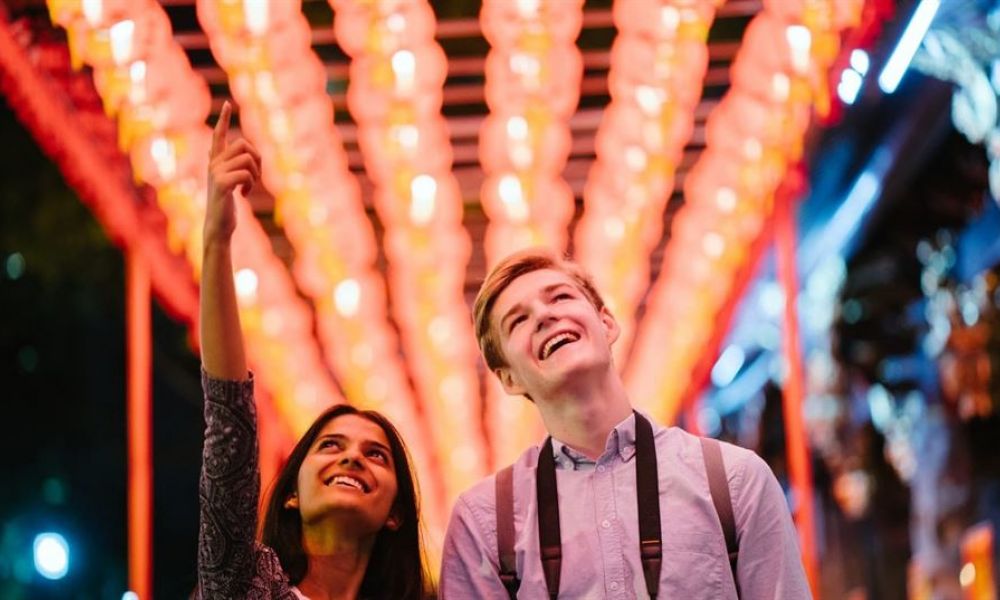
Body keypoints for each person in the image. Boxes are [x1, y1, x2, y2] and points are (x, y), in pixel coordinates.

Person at [439, 248, 812, 599]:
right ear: (508, 379)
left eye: (561, 297)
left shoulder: (734, 481)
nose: (544, 315)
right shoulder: (484, 521)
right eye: (518, 320)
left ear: (607, 324)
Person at [197, 101, 428, 599]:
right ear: (291, 497)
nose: (351, 459)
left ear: (396, 514)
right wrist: (216, 241)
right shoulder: (243, 586)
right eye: (331, 445)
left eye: (376, 455)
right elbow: (228, 420)